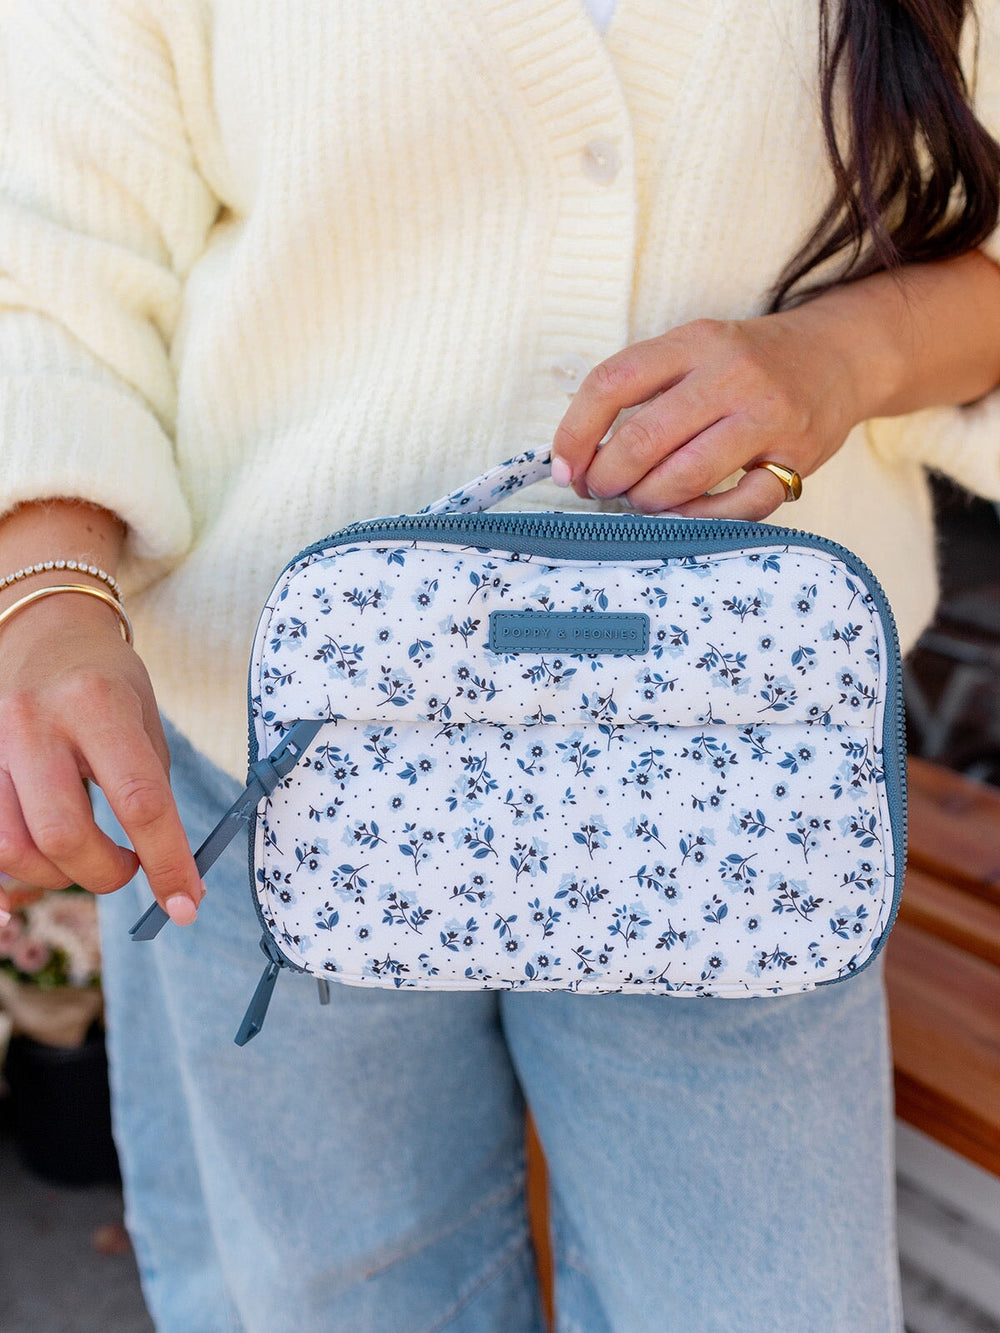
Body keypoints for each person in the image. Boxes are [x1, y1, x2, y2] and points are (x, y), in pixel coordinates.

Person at [1, 2, 999, 1329]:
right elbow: (47, 250)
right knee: (344, 1306)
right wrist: (45, 594)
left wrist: (843, 354)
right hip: (287, 760)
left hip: (739, 779)